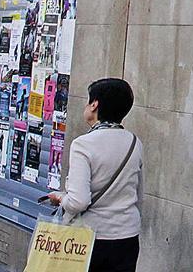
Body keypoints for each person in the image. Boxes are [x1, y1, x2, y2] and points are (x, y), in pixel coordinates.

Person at [38, 77, 143, 272]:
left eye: (89, 100)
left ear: (94, 105)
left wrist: (60, 198)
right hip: (127, 237)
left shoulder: (83, 145)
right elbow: (138, 195)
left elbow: (78, 202)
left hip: (89, 238)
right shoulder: (134, 143)